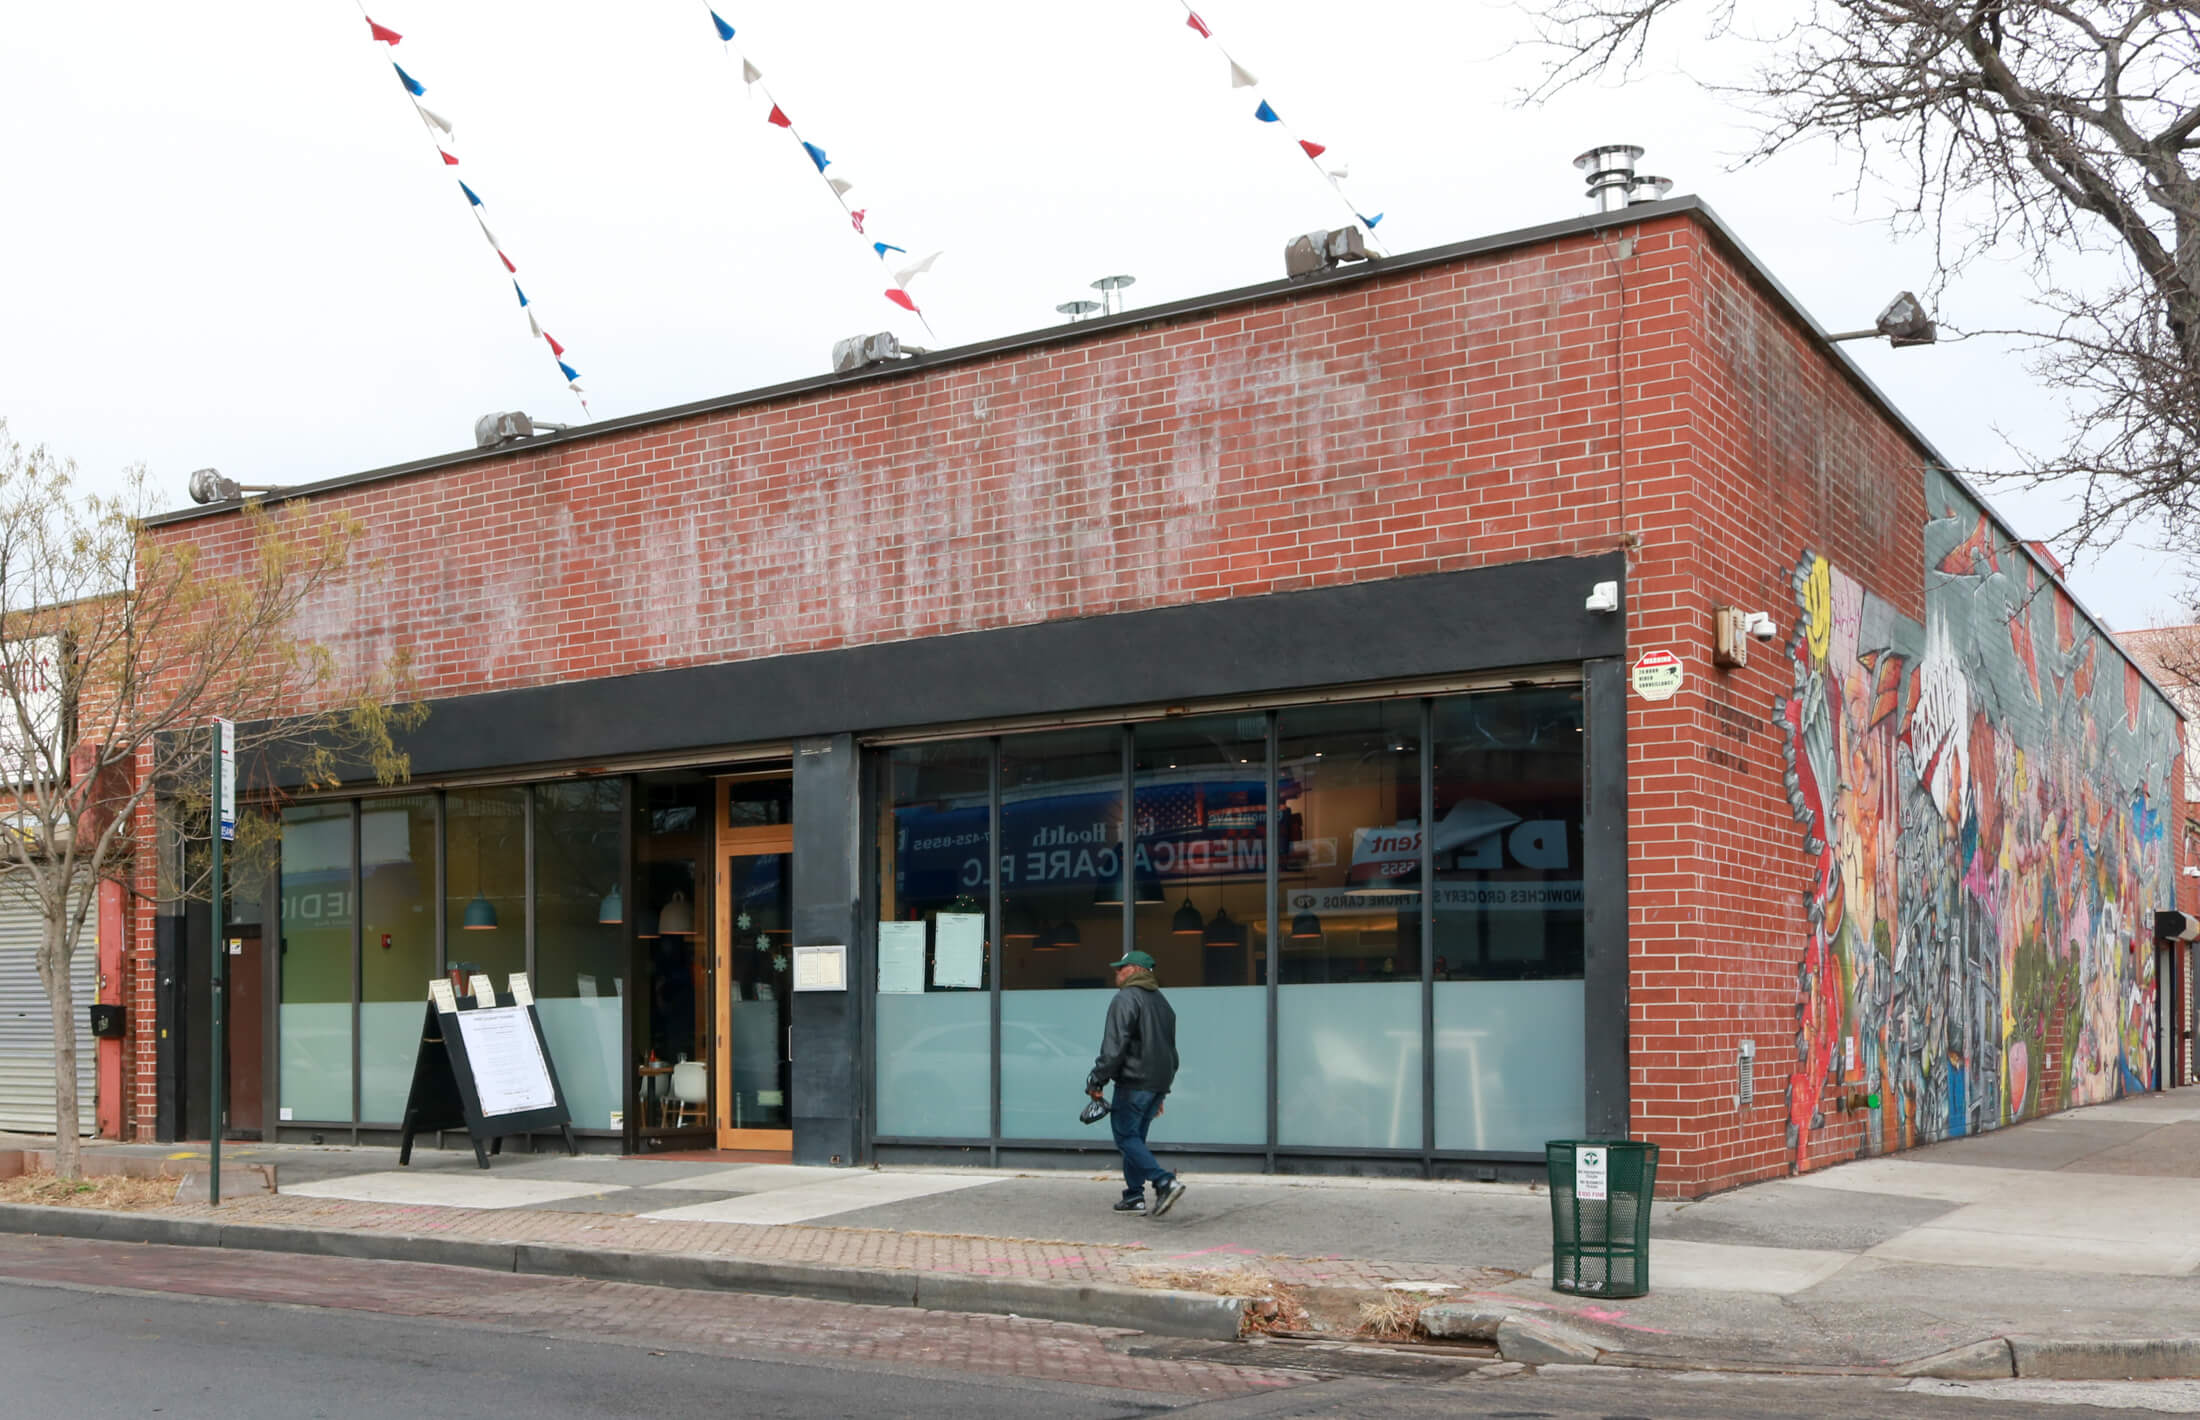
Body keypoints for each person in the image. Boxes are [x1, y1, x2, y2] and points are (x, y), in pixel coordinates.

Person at [1086, 948, 1186, 1217]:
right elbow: (1169, 1049)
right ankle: (1133, 1196)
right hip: (1158, 1080)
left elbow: (1115, 1045)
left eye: (1121, 968)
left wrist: (1097, 1079)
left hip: (1135, 1080)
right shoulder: (1163, 1003)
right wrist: (1161, 1093)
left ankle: (1164, 1181)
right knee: (1136, 1138)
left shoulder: (1126, 998)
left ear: (1134, 971)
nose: (1116, 973)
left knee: (1126, 1136)